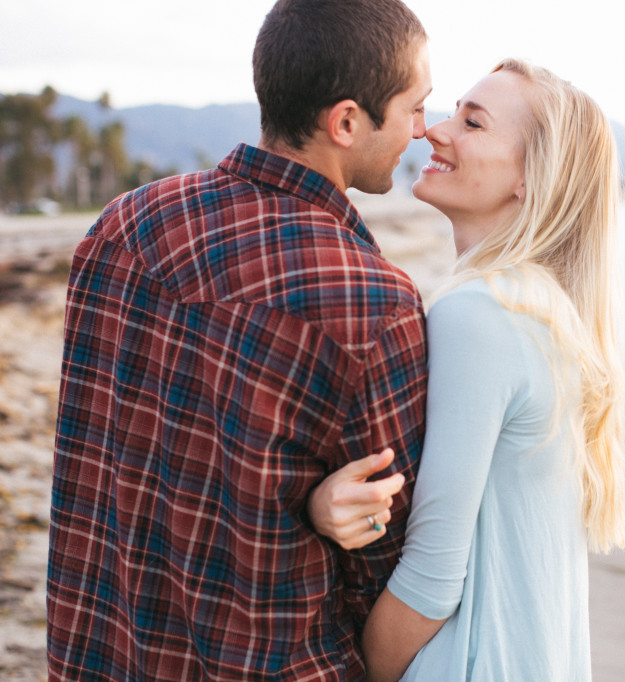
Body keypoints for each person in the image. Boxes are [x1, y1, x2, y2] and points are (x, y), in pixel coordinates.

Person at [46, 0, 432, 678]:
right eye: (414, 108)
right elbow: (390, 569)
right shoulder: (373, 306)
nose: (424, 131)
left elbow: (92, 456)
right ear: (346, 122)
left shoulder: (122, 227)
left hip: (103, 655)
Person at [319, 59, 625, 681]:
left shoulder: (479, 314)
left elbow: (433, 574)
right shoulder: (547, 310)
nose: (436, 131)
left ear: (528, 177)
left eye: (472, 122)